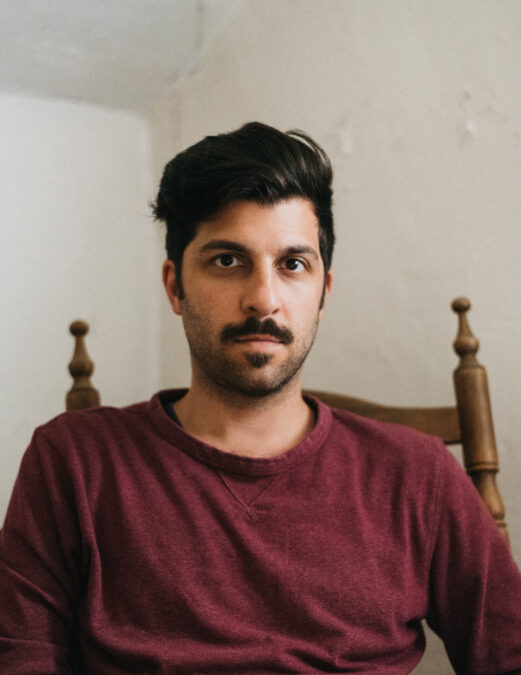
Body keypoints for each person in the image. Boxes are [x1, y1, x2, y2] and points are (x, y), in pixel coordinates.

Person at [1, 122, 521, 674]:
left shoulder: (418, 474)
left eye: (292, 264)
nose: (263, 299)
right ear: (175, 286)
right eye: (228, 260)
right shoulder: (75, 462)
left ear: (323, 291)